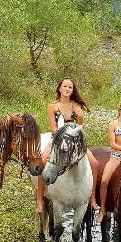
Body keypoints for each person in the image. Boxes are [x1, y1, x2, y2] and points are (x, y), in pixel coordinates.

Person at [37, 77, 98, 214]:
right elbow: (53, 128)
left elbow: (81, 126)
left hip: (74, 140)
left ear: (72, 90)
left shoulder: (76, 106)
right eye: (65, 86)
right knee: (42, 161)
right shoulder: (52, 106)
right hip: (58, 138)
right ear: (60, 88)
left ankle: (91, 197)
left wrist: (80, 119)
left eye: (70, 87)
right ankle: (40, 199)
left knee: (94, 163)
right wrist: (63, 136)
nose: (67, 89)